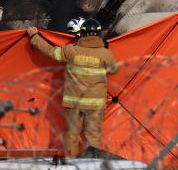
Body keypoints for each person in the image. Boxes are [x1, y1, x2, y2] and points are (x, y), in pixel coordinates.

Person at [28, 17, 119, 158]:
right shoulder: (105, 53)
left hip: (75, 104)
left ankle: (71, 166)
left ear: (81, 33)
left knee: (71, 137)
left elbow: (51, 51)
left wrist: (34, 36)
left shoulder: (71, 51)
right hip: (95, 105)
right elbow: (114, 70)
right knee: (93, 138)